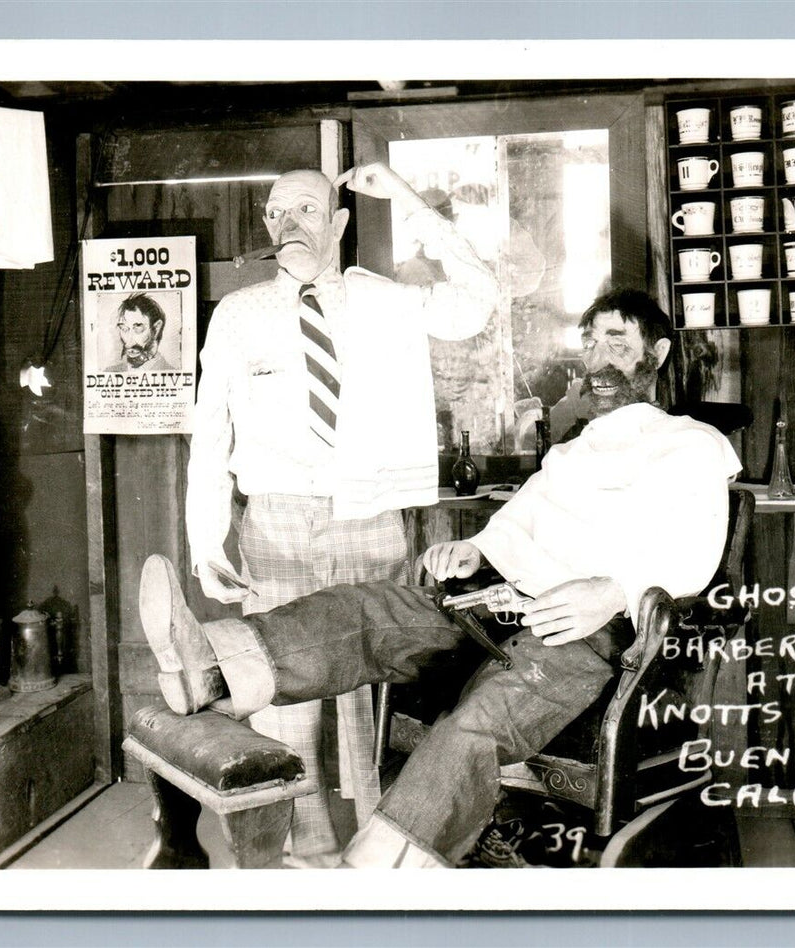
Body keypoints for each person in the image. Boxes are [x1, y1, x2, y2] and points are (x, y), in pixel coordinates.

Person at [144, 288, 742, 867]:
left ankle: (380, 880)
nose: (598, 358)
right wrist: (474, 549)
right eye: (589, 343)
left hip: (583, 634)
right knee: (369, 609)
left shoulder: (691, 445)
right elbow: (519, 522)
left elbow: (694, 555)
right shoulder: (573, 452)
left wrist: (613, 592)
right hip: (500, 604)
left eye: (616, 339)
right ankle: (210, 668)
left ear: (657, 354)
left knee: (474, 725)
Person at [182, 164, 497, 865]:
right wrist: (208, 541)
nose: (287, 222)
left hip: (369, 516)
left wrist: (412, 199)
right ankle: (300, 858)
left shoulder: (382, 299)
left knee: (371, 699)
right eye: (274, 212)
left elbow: (476, 302)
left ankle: (372, 859)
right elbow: (208, 433)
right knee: (281, 693)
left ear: (339, 223)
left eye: (305, 208)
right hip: (274, 522)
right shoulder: (237, 315)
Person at [103, 292, 176, 372]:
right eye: (124, 329)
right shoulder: (109, 372)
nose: (128, 343)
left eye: (138, 329)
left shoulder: (171, 372)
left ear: (156, 329)